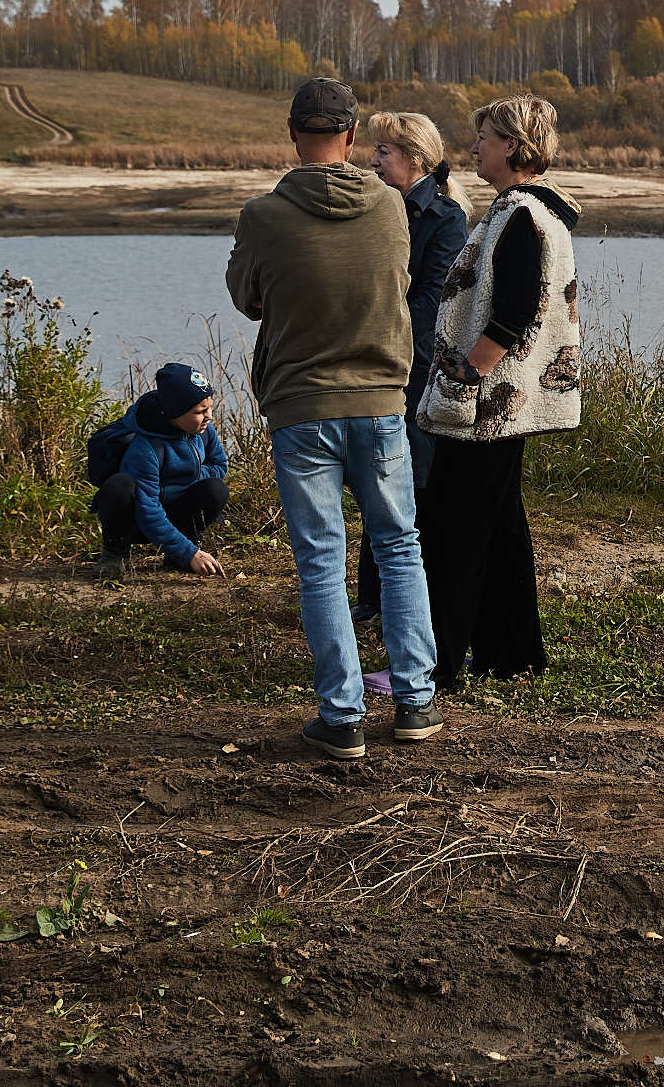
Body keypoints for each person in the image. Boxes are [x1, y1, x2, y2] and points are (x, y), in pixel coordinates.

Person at [225, 77, 443, 759]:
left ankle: (342, 716)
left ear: (293, 135)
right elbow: (400, 285)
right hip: (380, 402)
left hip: (302, 408)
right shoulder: (390, 209)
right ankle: (416, 702)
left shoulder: (263, 215)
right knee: (398, 546)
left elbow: (245, 297)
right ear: (350, 138)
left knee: (321, 562)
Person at [412, 96, 579, 689]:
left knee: (452, 531)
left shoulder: (520, 218)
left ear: (511, 145)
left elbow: (514, 313)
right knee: (502, 526)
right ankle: (513, 656)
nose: (474, 147)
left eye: (483, 137)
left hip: (487, 405)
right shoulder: (533, 212)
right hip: (508, 405)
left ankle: (438, 664)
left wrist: (466, 374)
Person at [353, 109, 472, 621]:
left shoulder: (446, 218)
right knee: (373, 475)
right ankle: (370, 597)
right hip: (373, 362)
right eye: (374, 150)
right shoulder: (374, 206)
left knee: (415, 481)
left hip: (417, 368)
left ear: (416, 159)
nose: (373, 161)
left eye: (384, 152)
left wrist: (373, 326)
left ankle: (407, 599)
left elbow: (432, 302)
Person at [92, 362, 230, 579]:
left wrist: (186, 479)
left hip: (175, 508)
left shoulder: (204, 430)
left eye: (210, 407)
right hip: (137, 519)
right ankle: (115, 553)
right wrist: (190, 554)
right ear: (175, 412)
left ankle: (180, 552)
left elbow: (220, 466)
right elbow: (148, 510)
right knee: (120, 486)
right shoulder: (145, 448)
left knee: (216, 489)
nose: (209, 416)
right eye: (200, 411)